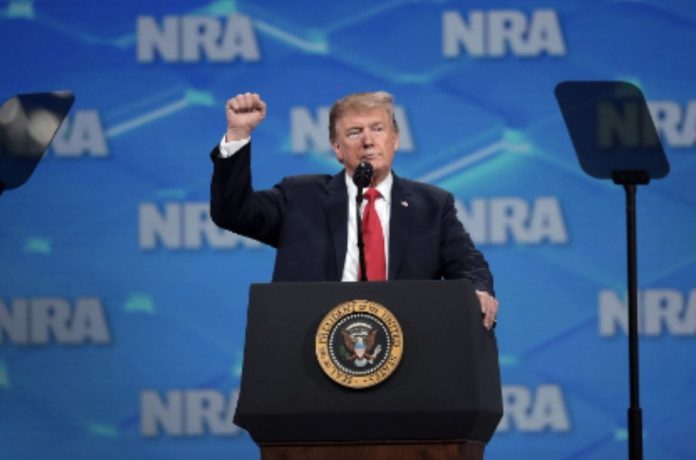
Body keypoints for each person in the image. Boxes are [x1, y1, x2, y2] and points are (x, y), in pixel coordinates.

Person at [210, 91, 499, 329]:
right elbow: (233, 212)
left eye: (378, 128)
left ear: (395, 140)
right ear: (337, 148)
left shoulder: (433, 205)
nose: (368, 140)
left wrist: (477, 291)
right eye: (354, 132)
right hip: (310, 349)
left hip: (407, 348)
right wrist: (237, 133)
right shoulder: (299, 196)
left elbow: (468, 263)